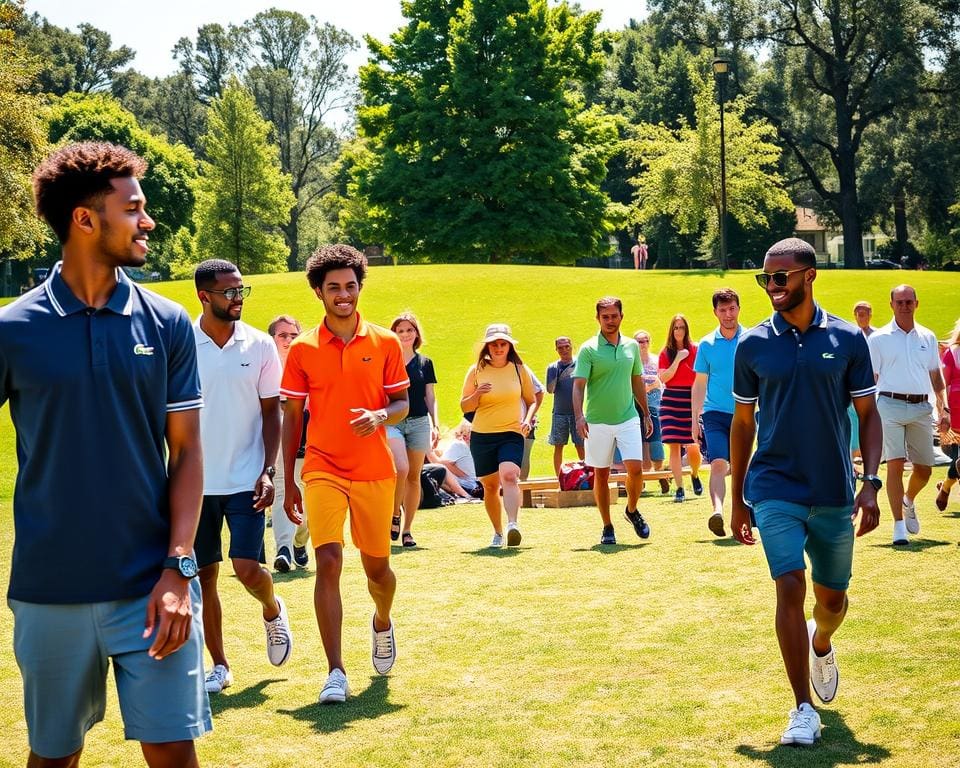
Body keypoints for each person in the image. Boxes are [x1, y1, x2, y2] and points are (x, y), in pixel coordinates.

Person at [1, 142, 209, 766]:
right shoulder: (13, 331)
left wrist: (180, 569)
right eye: (134, 209)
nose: (147, 221)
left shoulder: (168, 324)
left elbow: (188, 452)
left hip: (154, 586)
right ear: (85, 220)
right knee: (53, 757)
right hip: (49, 588)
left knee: (174, 753)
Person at [730, 237, 882, 747]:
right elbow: (742, 424)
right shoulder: (752, 344)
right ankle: (802, 707)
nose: (771, 287)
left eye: (780, 277)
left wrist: (871, 484)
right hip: (774, 486)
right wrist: (737, 499)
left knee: (831, 600)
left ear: (809, 275)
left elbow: (868, 415)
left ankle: (822, 642)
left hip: (835, 489)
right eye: (765, 279)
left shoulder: (847, 339)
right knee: (789, 586)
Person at [280, 244, 409, 704]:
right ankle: (335, 671)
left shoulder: (386, 343)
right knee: (328, 562)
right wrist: (287, 474)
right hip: (322, 466)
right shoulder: (302, 349)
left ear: (359, 288)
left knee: (378, 569)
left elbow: (402, 404)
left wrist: (380, 417)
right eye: (333, 287)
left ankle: (382, 621)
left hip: (374, 469)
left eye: (350, 286)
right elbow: (292, 415)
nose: (343, 294)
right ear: (318, 292)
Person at [192, 260, 291, 695]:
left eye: (240, 290)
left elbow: (274, 413)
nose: (237, 299)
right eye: (228, 292)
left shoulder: (261, 344)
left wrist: (268, 471)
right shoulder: (180, 343)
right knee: (204, 577)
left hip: (248, 478)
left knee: (248, 569)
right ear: (203, 296)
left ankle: (272, 608)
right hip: (195, 484)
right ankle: (219, 665)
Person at [868, 285, 951, 544]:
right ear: (891, 305)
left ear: (917, 304)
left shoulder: (927, 336)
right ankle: (898, 526)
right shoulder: (878, 339)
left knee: (924, 470)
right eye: (899, 302)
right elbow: (871, 379)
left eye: (908, 302)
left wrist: (943, 406)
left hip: (921, 408)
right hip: (889, 405)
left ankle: (908, 500)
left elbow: (936, 376)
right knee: (894, 465)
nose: (904, 306)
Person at [572, 297, 655, 545]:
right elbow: (578, 386)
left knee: (636, 470)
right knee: (601, 474)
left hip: (628, 417)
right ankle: (607, 526)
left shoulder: (631, 347)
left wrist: (646, 413)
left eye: (614, 316)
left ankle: (631, 510)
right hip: (597, 421)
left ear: (621, 316)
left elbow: (637, 380)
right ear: (598, 319)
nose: (610, 320)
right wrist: (579, 416)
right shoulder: (588, 349)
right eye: (605, 316)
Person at [460, 324, 538, 547]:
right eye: (494, 344)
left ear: (509, 346)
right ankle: (497, 532)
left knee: (510, 474)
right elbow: (464, 406)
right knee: (491, 487)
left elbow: (531, 400)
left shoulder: (519, 369)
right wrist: (477, 394)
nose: (498, 348)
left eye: (503, 344)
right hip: (482, 434)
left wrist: (528, 419)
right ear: (487, 346)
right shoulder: (475, 370)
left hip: (512, 431)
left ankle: (513, 524)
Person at [691, 288, 743, 536]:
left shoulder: (752, 339)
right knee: (718, 465)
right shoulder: (706, 344)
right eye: (722, 310)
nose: (728, 314)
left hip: (745, 414)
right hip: (714, 414)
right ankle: (718, 512)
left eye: (731, 308)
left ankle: (741, 513)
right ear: (715, 313)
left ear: (738, 309)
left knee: (741, 467)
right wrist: (694, 420)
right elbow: (700, 383)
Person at [387, 312, 440, 548]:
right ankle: (393, 513)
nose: (405, 334)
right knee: (401, 468)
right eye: (400, 331)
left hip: (419, 422)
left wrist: (435, 423)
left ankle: (407, 529)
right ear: (394, 334)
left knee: (413, 476)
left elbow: (430, 396)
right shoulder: (387, 361)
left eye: (409, 330)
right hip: (394, 422)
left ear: (416, 333)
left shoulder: (425, 363)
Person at [268, 314, 312, 572]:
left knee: (305, 500)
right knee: (282, 491)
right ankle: (283, 548)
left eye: (293, 335)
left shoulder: (309, 365)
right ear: (272, 338)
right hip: (277, 442)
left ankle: (299, 541)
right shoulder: (265, 367)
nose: (288, 340)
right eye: (282, 335)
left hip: (308, 440)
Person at [658, 314, 703, 502]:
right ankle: (679, 488)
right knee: (674, 447)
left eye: (682, 328)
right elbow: (663, 378)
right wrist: (677, 358)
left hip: (690, 398)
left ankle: (694, 474)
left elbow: (700, 378)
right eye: (676, 328)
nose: (679, 331)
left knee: (693, 446)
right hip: (670, 399)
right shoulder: (665, 353)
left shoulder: (696, 350)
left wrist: (698, 408)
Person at [635, 330, 670, 494]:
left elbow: (661, 380)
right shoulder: (632, 362)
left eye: (645, 341)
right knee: (639, 442)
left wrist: (648, 387)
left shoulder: (656, 360)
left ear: (649, 342)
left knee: (656, 440)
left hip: (655, 406)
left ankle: (661, 475)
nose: (642, 344)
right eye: (639, 341)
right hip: (635, 407)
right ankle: (639, 479)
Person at [546, 336, 585, 477]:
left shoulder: (580, 364)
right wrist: (555, 376)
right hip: (559, 412)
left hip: (578, 413)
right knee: (558, 446)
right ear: (556, 349)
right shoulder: (552, 367)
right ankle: (559, 478)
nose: (564, 350)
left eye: (566, 346)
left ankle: (587, 475)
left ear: (571, 346)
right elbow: (550, 390)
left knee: (580, 444)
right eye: (560, 347)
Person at [936, 319, 960, 511]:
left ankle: (945, 487)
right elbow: (943, 386)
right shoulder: (952, 354)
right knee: (958, 461)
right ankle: (945, 488)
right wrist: (943, 413)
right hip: (957, 414)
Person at [437, 420, 482, 497]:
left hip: (476, 482)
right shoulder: (459, 445)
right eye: (463, 432)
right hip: (469, 484)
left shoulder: (477, 447)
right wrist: (465, 476)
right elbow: (444, 463)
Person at [519, 369, 546, 481]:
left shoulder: (521, 368)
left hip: (524, 423)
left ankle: (524, 490)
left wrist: (529, 418)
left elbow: (539, 391)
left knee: (524, 456)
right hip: (501, 423)